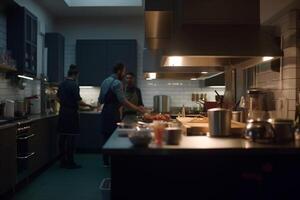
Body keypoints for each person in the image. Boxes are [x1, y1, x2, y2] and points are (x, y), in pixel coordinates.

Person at [98, 63, 145, 166]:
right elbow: (123, 101)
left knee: (106, 137)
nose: (124, 74)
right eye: (124, 72)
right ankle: (116, 162)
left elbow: (100, 100)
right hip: (113, 113)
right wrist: (137, 108)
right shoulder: (117, 83)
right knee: (115, 137)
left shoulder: (105, 81)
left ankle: (105, 162)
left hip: (105, 112)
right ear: (119, 71)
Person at [57, 64, 93, 169]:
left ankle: (62, 161)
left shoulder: (62, 84)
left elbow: (56, 97)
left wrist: (64, 103)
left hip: (62, 112)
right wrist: (89, 105)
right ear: (76, 74)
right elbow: (78, 101)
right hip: (71, 114)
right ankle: (70, 162)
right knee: (71, 139)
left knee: (62, 138)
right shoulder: (74, 84)